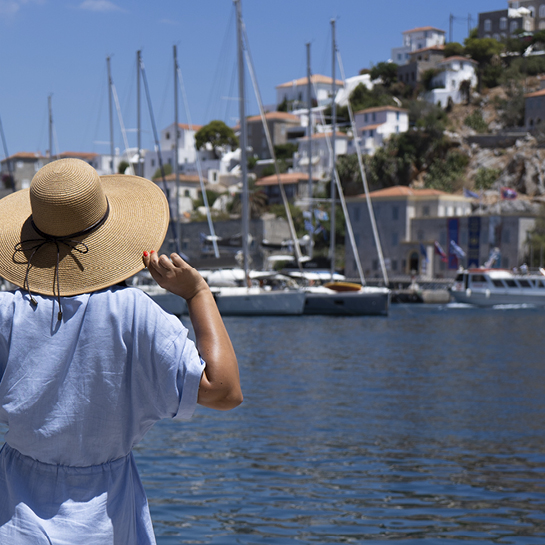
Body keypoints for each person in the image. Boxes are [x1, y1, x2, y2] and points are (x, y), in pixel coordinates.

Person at [0, 158, 242, 544]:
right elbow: (225, 390)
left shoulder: (8, 315)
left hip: (13, 518)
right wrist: (198, 294)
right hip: (106, 521)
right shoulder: (132, 315)